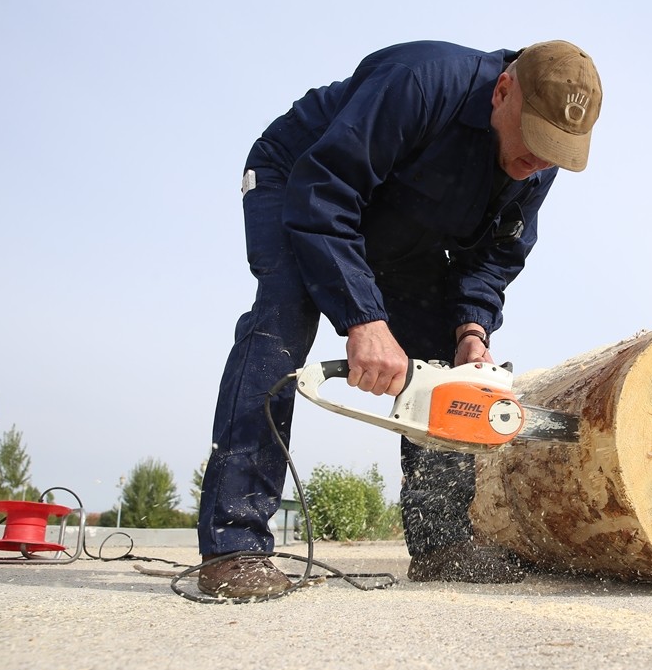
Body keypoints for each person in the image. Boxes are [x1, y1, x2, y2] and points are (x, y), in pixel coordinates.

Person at [195, 40, 603, 597]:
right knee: (284, 319)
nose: (539, 160)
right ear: (503, 90)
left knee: (441, 357)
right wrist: (364, 319)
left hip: (399, 224)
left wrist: (470, 332)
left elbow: (493, 256)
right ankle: (234, 544)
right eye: (533, 140)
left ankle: (442, 544)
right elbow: (326, 192)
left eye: (557, 152)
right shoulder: (419, 81)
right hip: (302, 181)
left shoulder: (540, 160)